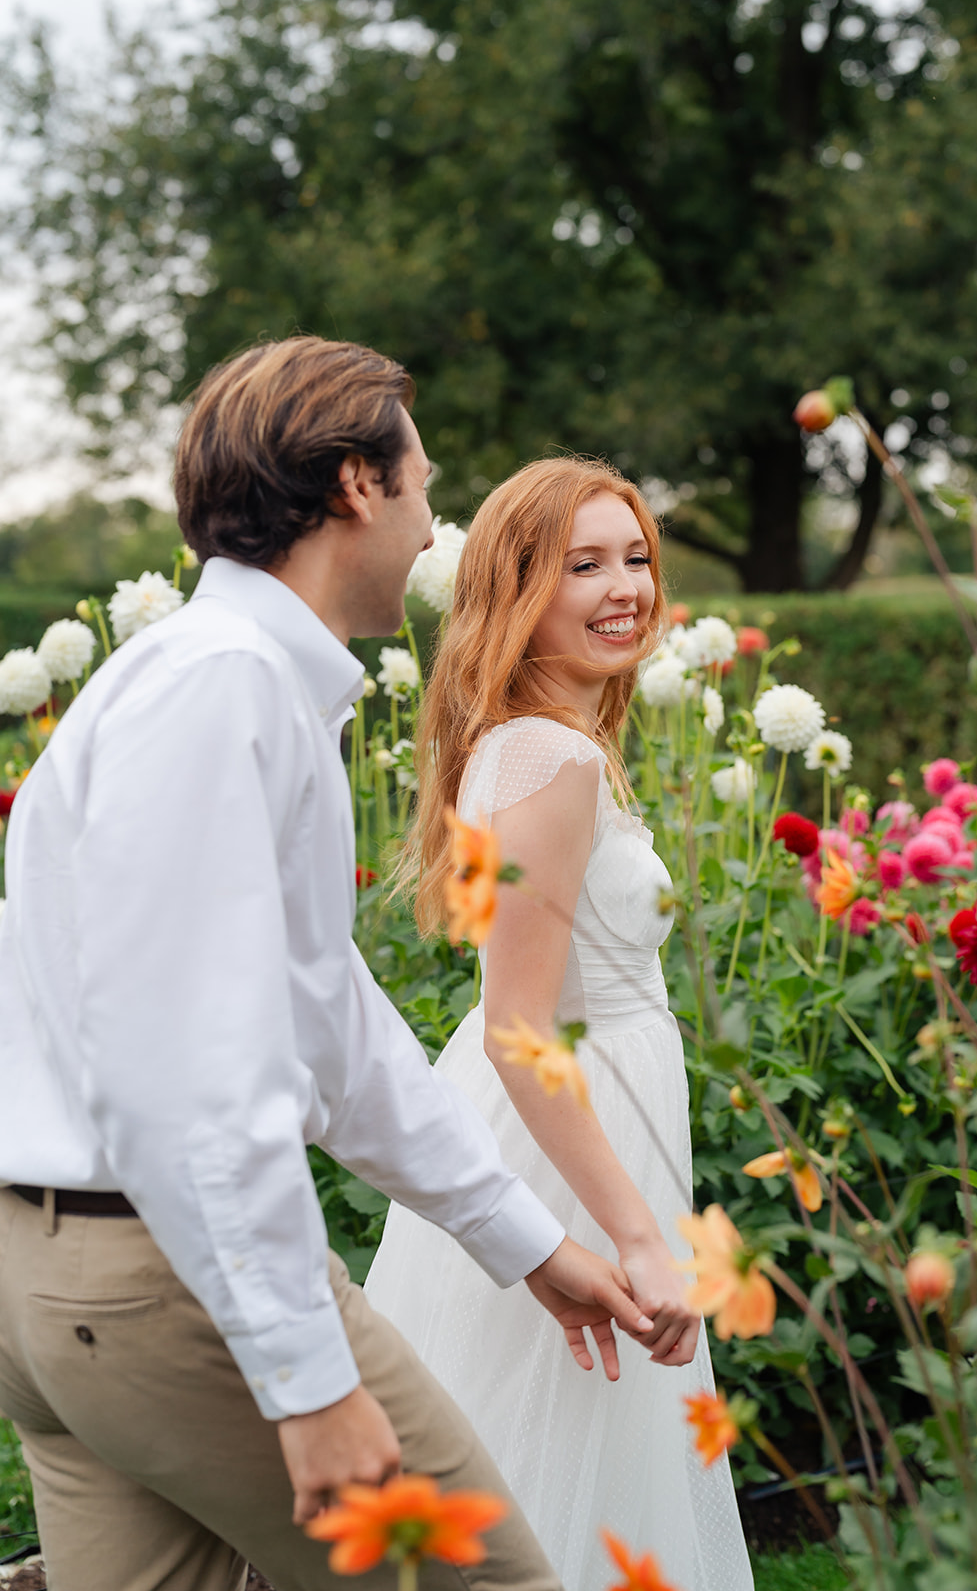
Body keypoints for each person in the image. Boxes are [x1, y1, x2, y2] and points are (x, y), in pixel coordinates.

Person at [0, 339, 660, 1591]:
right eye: (419, 484)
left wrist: (525, 1242)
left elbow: (337, 1030)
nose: (429, 527)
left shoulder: (207, 684)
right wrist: (305, 1382)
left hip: (68, 1282)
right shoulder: (222, 697)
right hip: (167, 1285)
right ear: (356, 484)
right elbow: (194, 1080)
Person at [364, 457, 754, 1590]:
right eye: (582, 564)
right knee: (564, 1454)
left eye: (633, 556)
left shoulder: (533, 741)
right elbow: (514, 1024)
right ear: (515, 590)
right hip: (570, 1137)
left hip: (575, 1117)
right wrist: (634, 1232)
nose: (623, 585)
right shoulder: (548, 756)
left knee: (551, 1452)